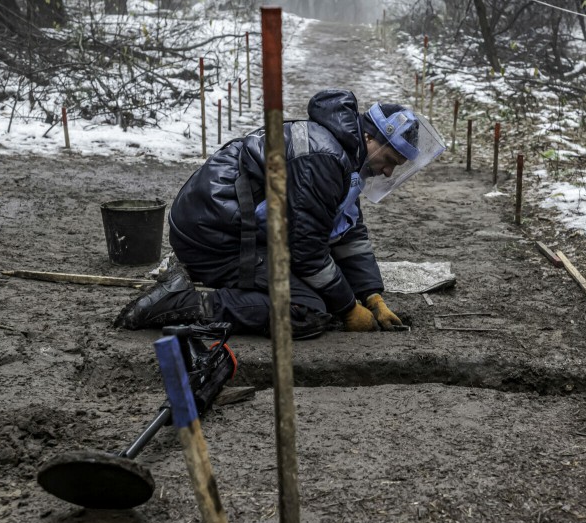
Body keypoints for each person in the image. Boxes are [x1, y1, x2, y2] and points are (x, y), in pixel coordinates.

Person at [114, 89, 445, 339]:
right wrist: (347, 308)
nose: (388, 172)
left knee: (325, 289)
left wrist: (371, 295)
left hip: (218, 222)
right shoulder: (325, 160)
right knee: (308, 310)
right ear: (370, 137)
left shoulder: (343, 154)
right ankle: (182, 303)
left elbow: (347, 231)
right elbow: (308, 252)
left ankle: (203, 288)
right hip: (214, 237)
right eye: (389, 161)